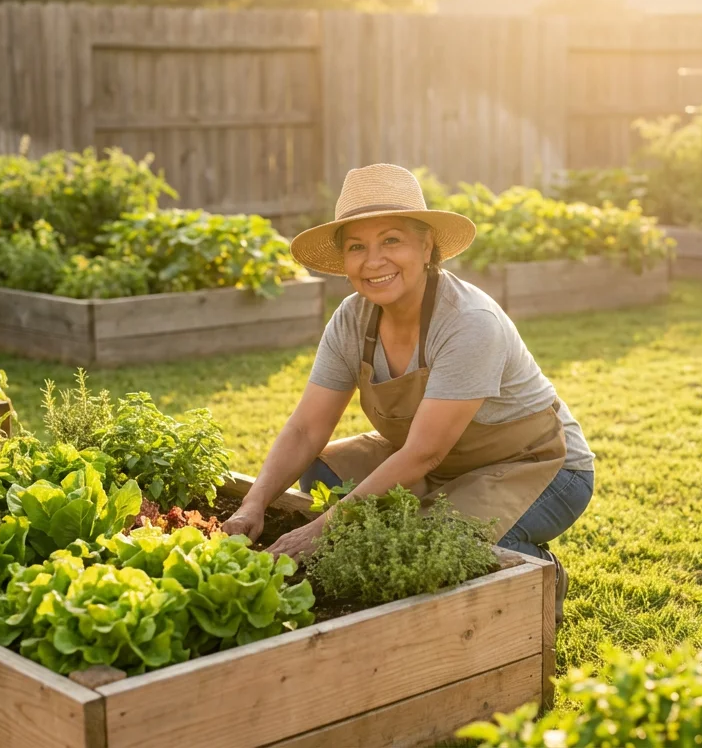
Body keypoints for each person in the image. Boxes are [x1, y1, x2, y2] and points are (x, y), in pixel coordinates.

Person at [221, 163, 594, 622]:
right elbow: (305, 429)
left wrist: (320, 531)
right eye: (357, 247)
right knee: (322, 469)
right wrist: (253, 503)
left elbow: (422, 454)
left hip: (539, 466)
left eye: (391, 240)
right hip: (438, 460)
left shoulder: (468, 322)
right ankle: (428, 518)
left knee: (436, 544)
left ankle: (540, 572)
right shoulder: (351, 319)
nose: (373, 261)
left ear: (426, 246)